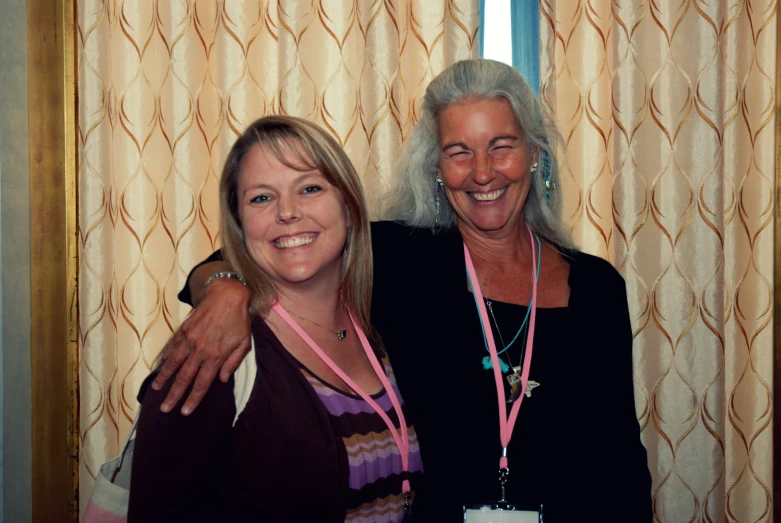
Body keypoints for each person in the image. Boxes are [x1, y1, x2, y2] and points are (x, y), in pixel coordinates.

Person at [157, 59, 652, 520]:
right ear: (436, 168)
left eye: (501, 146)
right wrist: (224, 292)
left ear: (535, 154)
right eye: (459, 152)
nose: (482, 172)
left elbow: (622, 462)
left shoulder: (596, 287)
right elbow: (276, 246)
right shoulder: (396, 259)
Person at [128, 115, 423, 522]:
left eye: (310, 188)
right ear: (240, 222)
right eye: (261, 198)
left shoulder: (381, 328)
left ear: (349, 205)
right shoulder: (216, 353)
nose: (288, 212)